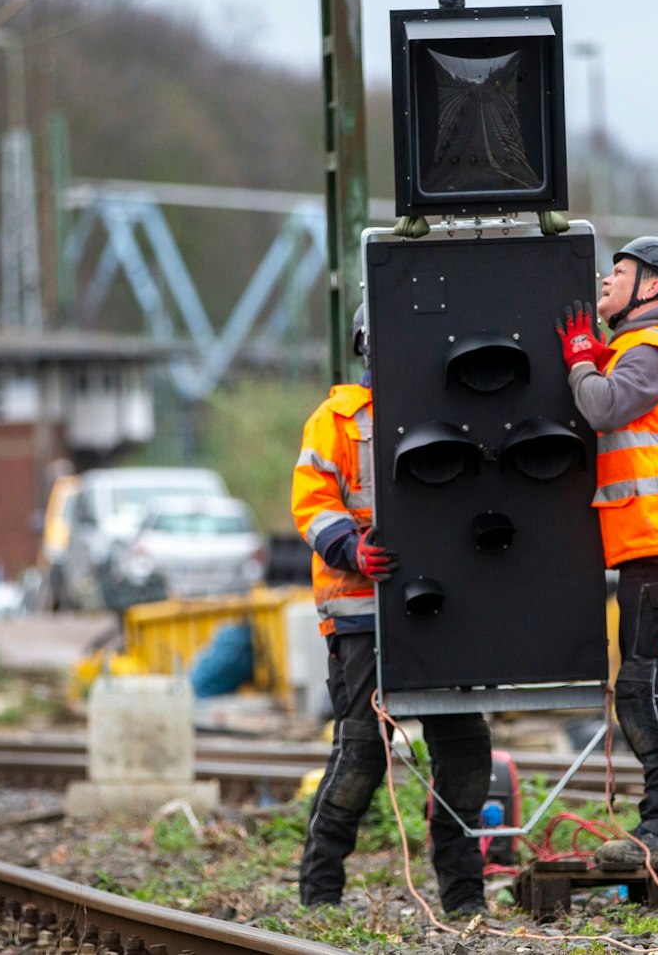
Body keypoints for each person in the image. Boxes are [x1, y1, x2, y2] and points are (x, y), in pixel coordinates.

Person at [291, 303, 493, 915]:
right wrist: (350, 548)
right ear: (368, 344)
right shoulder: (336, 421)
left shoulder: (451, 412)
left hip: (445, 612)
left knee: (464, 747)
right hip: (361, 612)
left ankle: (464, 896)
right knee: (361, 749)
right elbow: (312, 504)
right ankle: (320, 889)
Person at [556, 237, 658, 867]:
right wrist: (596, 359)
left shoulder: (652, 348)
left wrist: (581, 363)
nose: (605, 279)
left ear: (652, 287)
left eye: (619, 271)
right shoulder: (638, 350)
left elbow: (604, 407)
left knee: (645, 690)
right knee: (644, 688)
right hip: (652, 546)